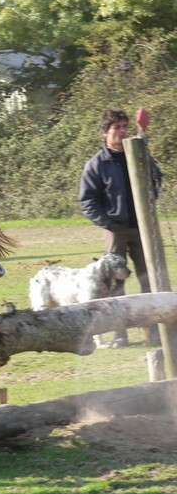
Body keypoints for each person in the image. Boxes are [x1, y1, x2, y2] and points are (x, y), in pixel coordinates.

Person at [78, 107, 163, 347]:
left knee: (150, 279)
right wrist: (109, 223)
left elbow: (156, 178)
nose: (122, 132)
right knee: (116, 284)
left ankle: (154, 331)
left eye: (125, 127)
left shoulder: (136, 153)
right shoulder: (95, 164)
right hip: (115, 231)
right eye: (117, 128)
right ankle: (120, 334)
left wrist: (143, 141)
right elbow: (87, 201)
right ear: (105, 132)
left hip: (143, 228)